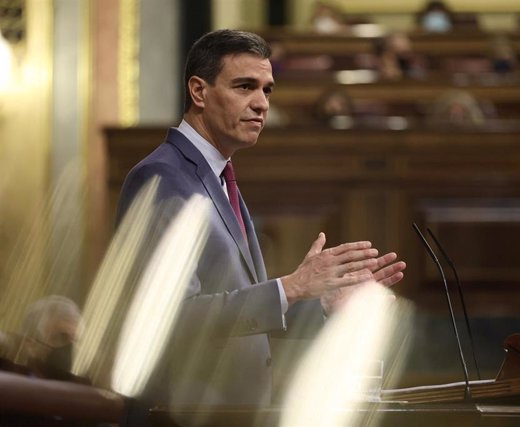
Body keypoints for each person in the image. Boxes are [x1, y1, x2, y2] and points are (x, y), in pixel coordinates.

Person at [115, 29, 405, 416]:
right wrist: (290, 287)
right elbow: (168, 318)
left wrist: (318, 301)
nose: (261, 104)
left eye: (267, 90)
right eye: (245, 87)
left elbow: (238, 310)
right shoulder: (162, 178)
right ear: (199, 92)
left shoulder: (216, 176)